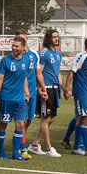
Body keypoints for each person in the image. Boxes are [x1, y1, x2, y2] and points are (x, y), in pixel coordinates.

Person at [0, 36, 31, 161]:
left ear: (23, 48)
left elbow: (24, 77)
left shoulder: (27, 59)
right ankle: (1, 151)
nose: (13, 48)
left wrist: (26, 92)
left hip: (20, 99)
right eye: (13, 45)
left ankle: (15, 153)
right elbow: (0, 79)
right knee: (4, 124)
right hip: (7, 98)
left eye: (16, 46)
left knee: (20, 124)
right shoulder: (5, 61)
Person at [28, 29, 63, 157]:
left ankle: (35, 144)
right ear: (48, 38)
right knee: (45, 118)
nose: (56, 39)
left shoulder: (58, 53)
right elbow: (38, 72)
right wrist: (40, 89)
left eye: (57, 37)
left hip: (55, 88)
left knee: (51, 119)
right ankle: (49, 149)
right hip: (46, 88)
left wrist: (64, 88)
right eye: (54, 37)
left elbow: (58, 72)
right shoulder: (43, 53)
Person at [18, 33, 40, 159]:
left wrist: (42, 89)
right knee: (23, 120)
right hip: (21, 93)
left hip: (33, 92)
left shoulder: (34, 54)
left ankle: (21, 143)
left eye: (23, 38)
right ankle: (21, 147)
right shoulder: (18, 56)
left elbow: (38, 73)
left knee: (29, 120)